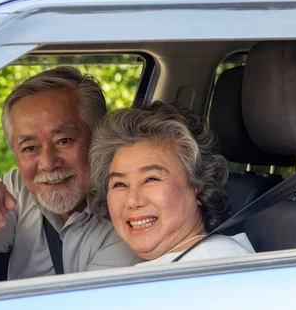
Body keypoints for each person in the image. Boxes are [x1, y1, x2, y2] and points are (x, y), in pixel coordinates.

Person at [0, 67, 142, 292]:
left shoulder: (128, 214)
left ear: (97, 139)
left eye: (64, 140)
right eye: (30, 148)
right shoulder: (18, 189)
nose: (48, 163)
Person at [88, 102, 255, 265]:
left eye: (151, 179)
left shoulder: (214, 264)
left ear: (197, 183)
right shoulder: (174, 267)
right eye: (119, 184)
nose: (132, 201)